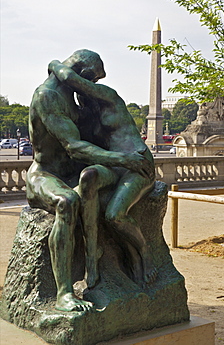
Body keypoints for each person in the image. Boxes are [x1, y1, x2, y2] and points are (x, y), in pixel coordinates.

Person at [26, 49, 153, 312]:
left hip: (77, 172)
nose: (92, 87)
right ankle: (64, 293)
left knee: (89, 183)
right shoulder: (47, 96)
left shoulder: (73, 99)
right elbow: (74, 147)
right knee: (67, 201)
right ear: (81, 75)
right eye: (92, 79)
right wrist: (123, 159)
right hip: (46, 175)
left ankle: (96, 262)